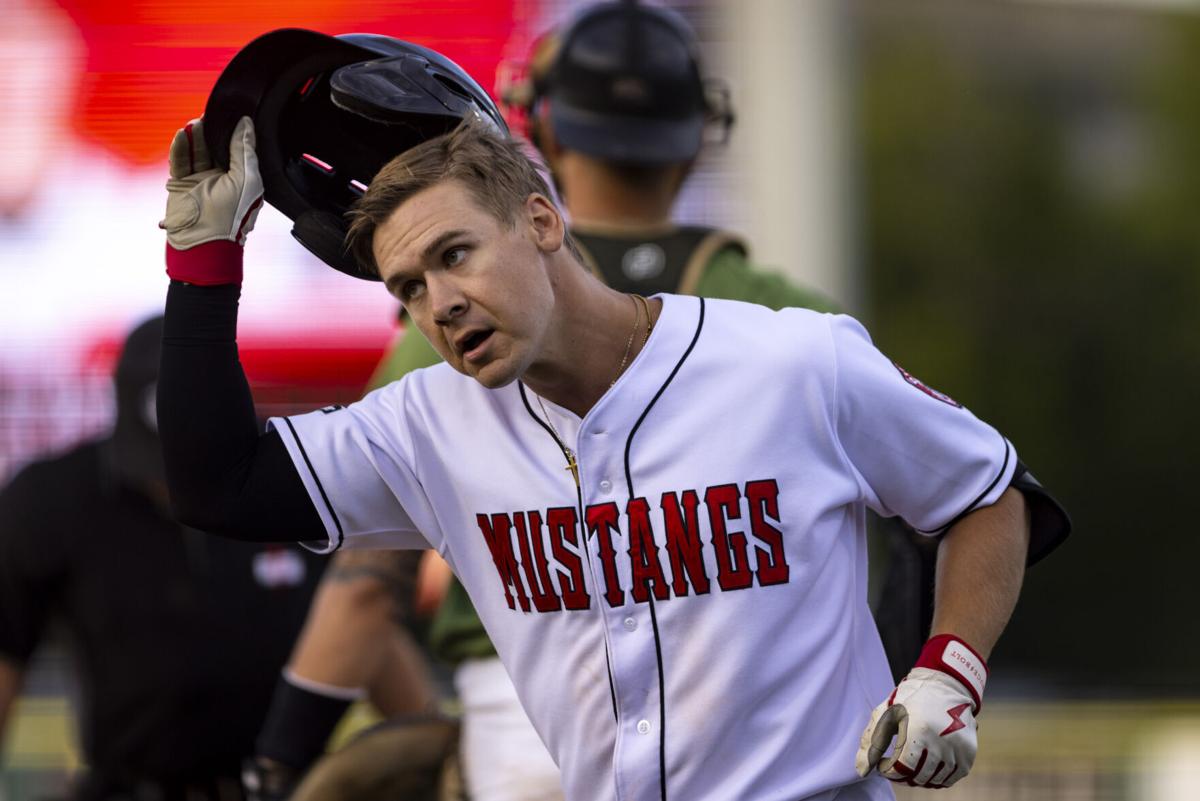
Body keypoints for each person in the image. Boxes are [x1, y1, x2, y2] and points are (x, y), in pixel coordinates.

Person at [157, 82, 1069, 801]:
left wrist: (951, 667)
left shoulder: (790, 361)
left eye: (456, 253)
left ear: (543, 221)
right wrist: (203, 269)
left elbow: (988, 490)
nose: (439, 302)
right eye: (408, 288)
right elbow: (219, 486)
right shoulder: (430, 421)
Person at [0, 316, 327, 801]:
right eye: (165, 469)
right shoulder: (52, 498)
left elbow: (362, 602)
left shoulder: (293, 474)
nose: (182, 492)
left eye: (201, 467)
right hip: (131, 787)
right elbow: (6, 651)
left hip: (286, 788)